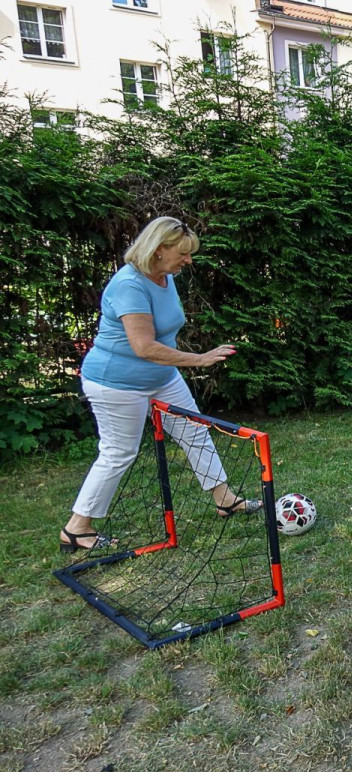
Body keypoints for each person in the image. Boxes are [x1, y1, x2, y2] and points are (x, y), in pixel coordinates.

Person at [60, 217, 260, 553]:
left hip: (161, 377)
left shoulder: (166, 277)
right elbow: (144, 347)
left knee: (195, 432)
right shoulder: (129, 285)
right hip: (117, 382)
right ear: (158, 249)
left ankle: (225, 500)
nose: (189, 260)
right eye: (183, 253)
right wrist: (199, 359)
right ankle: (77, 529)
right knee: (118, 452)